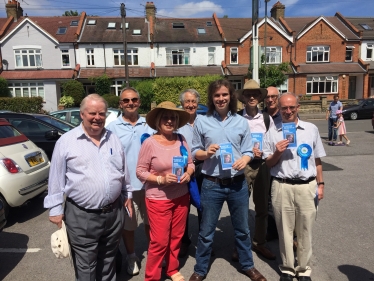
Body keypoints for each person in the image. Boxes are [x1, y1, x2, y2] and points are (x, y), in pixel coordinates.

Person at [44, 94, 133, 281]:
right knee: (87, 265)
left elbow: (123, 171)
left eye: (102, 113)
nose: (97, 117)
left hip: (113, 213)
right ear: (82, 114)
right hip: (82, 215)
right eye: (92, 113)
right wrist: (55, 209)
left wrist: (128, 195)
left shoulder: (113, 139)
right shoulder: (66, 142)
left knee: (109, 260)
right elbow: (56, 179)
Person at [189, 79, 266, 281]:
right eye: (217, 95)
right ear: (212, 99)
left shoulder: (241, 122)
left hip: (237, 184)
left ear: (230, 97)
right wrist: (205, 154)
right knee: (206, 232)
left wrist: (245, 159)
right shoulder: (202, 121)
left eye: (224, 94)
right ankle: (200, 269)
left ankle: (248, 265)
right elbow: (194, 151)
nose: (221, 98)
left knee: (242, 230)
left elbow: (249, 149)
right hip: (212, 184)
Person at [263, 93, 326, 281]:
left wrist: (321, 184)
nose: (288, 111)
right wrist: (277, 152)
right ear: (278, 109)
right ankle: (288, 268)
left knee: (305, 230)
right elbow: (268, 163)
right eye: (284, 108)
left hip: (307, 186)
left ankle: (303, 269)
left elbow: (317, 159)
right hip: (282, 186)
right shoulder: (273, 132)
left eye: (291, 107)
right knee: (284, 230)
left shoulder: (311, 129)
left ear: (298, 107)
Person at [136, 101, 194, 281]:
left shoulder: (181, 139)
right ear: (159, 121)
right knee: (159, 241)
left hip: (181, 196)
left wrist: (189, 173)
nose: (170, 121)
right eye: (166, 117)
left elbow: (190, 163)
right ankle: (152, 277)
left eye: (173, 118)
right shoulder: (150, 143)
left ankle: (172, 269)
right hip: (158, 199)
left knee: (176, 236)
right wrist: (160, 179)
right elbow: (140, 171)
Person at [106, 87, 153, 276]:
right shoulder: (112, 128)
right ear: (120, 104)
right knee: (129, 225)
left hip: (149, 184)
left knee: (151, 222)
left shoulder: (150, 124)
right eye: (126, 100)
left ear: (139, 102)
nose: (130, 103)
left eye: (134, 99)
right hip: (126, 187)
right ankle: (132, 256)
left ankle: (154, 256)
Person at [235, 79, 276, 261]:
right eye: (248, 94)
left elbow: (272, 142)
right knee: (241, 208)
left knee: (261, 208)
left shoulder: (267, 119)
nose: (251, 97)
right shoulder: (235, 118)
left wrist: (264, 152)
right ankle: (241, 245)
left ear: (260, 97)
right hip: (243, 167)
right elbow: (232, 142)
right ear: (243, 97)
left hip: (261, 166)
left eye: (255, 94)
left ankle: (260, 243)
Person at [177, 89, 205, 258]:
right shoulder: (177, 122)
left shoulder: (205, 120)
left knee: (204, 207)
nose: (190, 105)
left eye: (193, 101)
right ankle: (184, 241)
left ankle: (204, 243)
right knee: (183, 207)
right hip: (183, 169)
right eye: (187, 102)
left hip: (203, 167)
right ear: (182, 104)